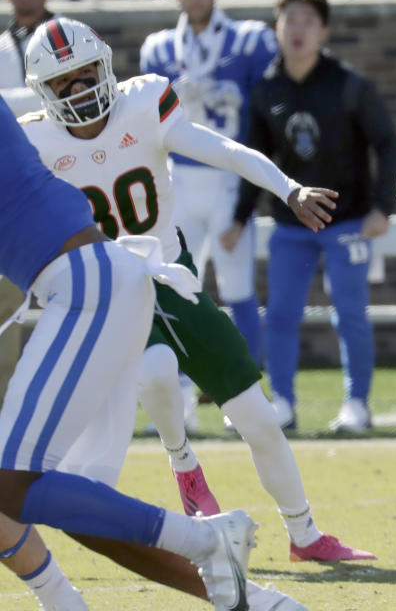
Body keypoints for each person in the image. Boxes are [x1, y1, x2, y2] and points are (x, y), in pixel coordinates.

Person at [20, 16, 375, 564]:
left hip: (171, 272)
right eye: (66, 82)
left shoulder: (144, 103)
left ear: (107, 67)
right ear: (46, 93)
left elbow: (226, 151)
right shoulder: (31, 140)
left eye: (88, 72)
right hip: (110, 289)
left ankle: (305, 535)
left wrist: (288, 187)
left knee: (257, 414)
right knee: (158, 373)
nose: (83, 88)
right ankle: (183, 462)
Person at [0, 95, 259, 611]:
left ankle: (207, 539)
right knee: (41, 486)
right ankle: (64, 601)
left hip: (86, 284)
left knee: (14, 483)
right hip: (95, 281)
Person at [227, 0, 396, 433]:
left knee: (350, 313)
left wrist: (383, 207)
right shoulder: (266, 89)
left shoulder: (349, 85)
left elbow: (388, 144)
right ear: (276, 28)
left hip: (347, 222)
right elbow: (255, 160)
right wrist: (238, 218)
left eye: (308, 21)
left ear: (324, 31)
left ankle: (357, 405)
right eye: (290, 20)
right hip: (290, 223)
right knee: (281, 314)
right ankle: (282, 403)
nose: (298, 30)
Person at [141, 0, 274, 369]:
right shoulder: (160, 46)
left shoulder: (248, 40)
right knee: (175, 287)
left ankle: (249, 385)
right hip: (178, 178)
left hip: (229, 179)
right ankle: (181, 392)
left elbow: (266, 108)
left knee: (238, 289)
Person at [0, 0, 56, 410]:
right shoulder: (1, 44)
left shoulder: (68, 38)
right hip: (9, 190)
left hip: (60, 183)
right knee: (6, 313)